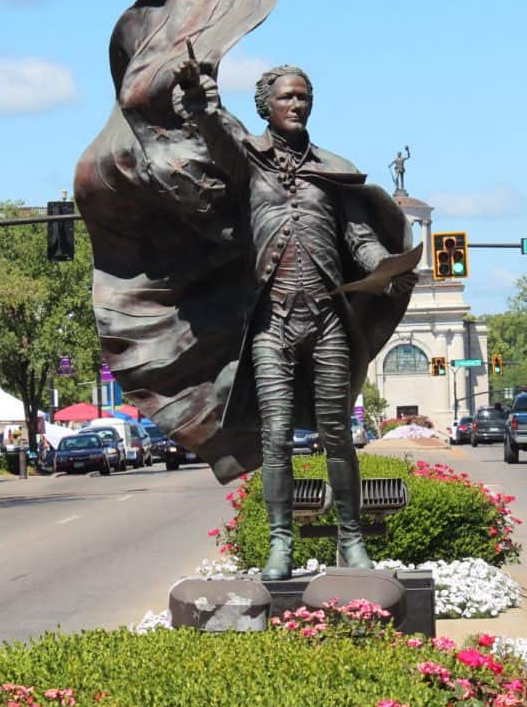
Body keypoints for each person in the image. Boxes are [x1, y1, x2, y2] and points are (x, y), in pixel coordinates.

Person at [172, 59, 417, 580]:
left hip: (327, 320)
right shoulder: (248, 165)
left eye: (304, 97)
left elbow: (360, 240)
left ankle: (350, 541)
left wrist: (384, 268)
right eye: (287, 97)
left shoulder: (331, 172)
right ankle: (280, 542)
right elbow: (218, 137)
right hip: (271, 324)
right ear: (266, 105)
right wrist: (203, 99)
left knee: (336, 435)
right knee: (276, 436)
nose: (298, 105)